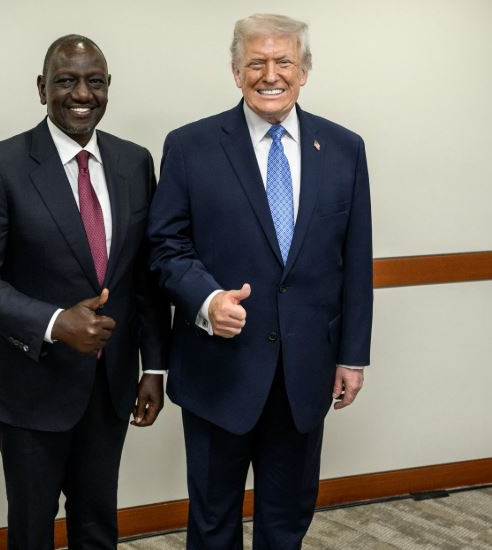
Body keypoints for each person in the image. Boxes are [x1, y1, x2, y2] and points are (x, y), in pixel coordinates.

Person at [147, 13, 373, 549]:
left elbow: (355, 260)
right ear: (236, 71)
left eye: (284, 62)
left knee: (287, 523)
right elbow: (164, 246)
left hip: (304, 374)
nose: (270, 75)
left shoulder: (344, 148)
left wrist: (352, 356)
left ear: (304, 71)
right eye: (256, 63)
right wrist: (206, 299)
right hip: (218, 371)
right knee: (212, 524)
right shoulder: (191, 146)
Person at [0, 35, 170, 549]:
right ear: (41, 87)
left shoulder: (135, 162)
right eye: (66, 81)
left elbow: (145, 277)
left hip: (110, 386)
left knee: (97, 525)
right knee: (33, 531)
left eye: (95, 81)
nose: (82, 94)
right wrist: (55, 323)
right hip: (31, 384)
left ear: (109, 86)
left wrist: (154, 367)